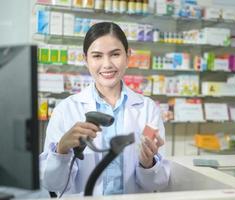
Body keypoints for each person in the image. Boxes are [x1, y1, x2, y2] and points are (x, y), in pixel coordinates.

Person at [40, 22, 170, 196]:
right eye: (97, 56)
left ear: (128, 56)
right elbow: (53, 184)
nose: (107, 64)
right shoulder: (66, 110)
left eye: (115, 54)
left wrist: (148, 164)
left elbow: (158, 183)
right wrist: (61, 150)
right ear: (85, 59)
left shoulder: (147, 109)